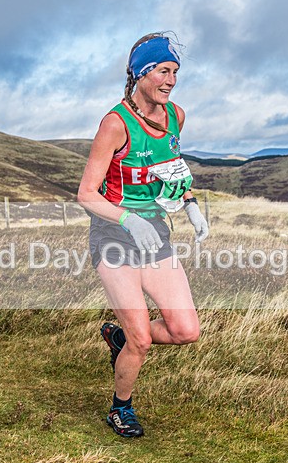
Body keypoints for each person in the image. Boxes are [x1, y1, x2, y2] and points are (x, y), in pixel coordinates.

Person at [77, 33, 209, 438]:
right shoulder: (115, 124)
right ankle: (121, 409)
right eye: (163, 71)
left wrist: (189, 202)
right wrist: (126, 219)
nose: (170, 80)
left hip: (156, 236)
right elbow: (85, 194)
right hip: (113, 237)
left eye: (175, 72)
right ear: (140, 74)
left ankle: (117, 336)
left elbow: (170, 164)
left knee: (187, 330)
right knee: (141, 340)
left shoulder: (176, 116)